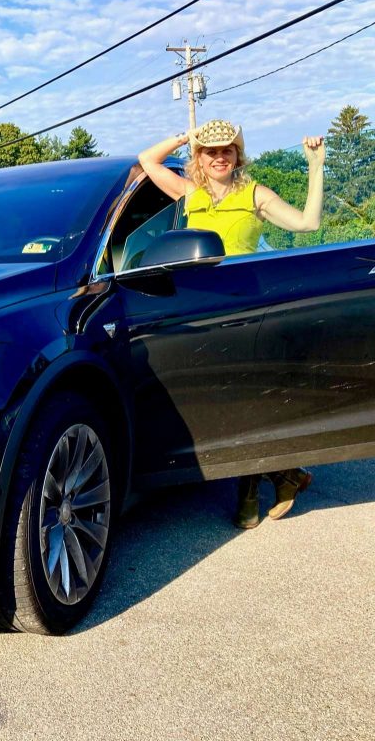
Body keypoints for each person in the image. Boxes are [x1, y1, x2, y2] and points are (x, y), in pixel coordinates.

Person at [137, 119, 326, 529]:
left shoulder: (255, 194)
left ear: (238, 156)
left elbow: (307, 224)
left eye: (227, 150)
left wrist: (316, 166)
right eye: (210, 151)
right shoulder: (189, 194)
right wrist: (188, 136)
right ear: (200, 161)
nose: (219, 156)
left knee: (247, 398)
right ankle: (286, 475)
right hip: (198, 311)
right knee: (221, 397)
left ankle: (249, 491)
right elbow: (147, 161)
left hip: (247, 310)